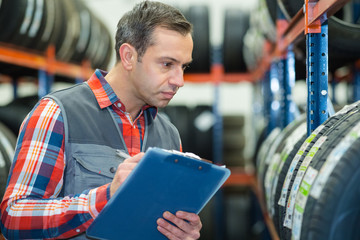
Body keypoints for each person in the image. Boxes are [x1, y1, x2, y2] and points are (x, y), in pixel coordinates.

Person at [0, 1, 202, 239]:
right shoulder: (57, 113)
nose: (179, 80)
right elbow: (14, 218)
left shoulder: (169, 134)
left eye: (183, 67)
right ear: (128, 56)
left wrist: (180, 231)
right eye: (167, 64)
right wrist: (106, 196)